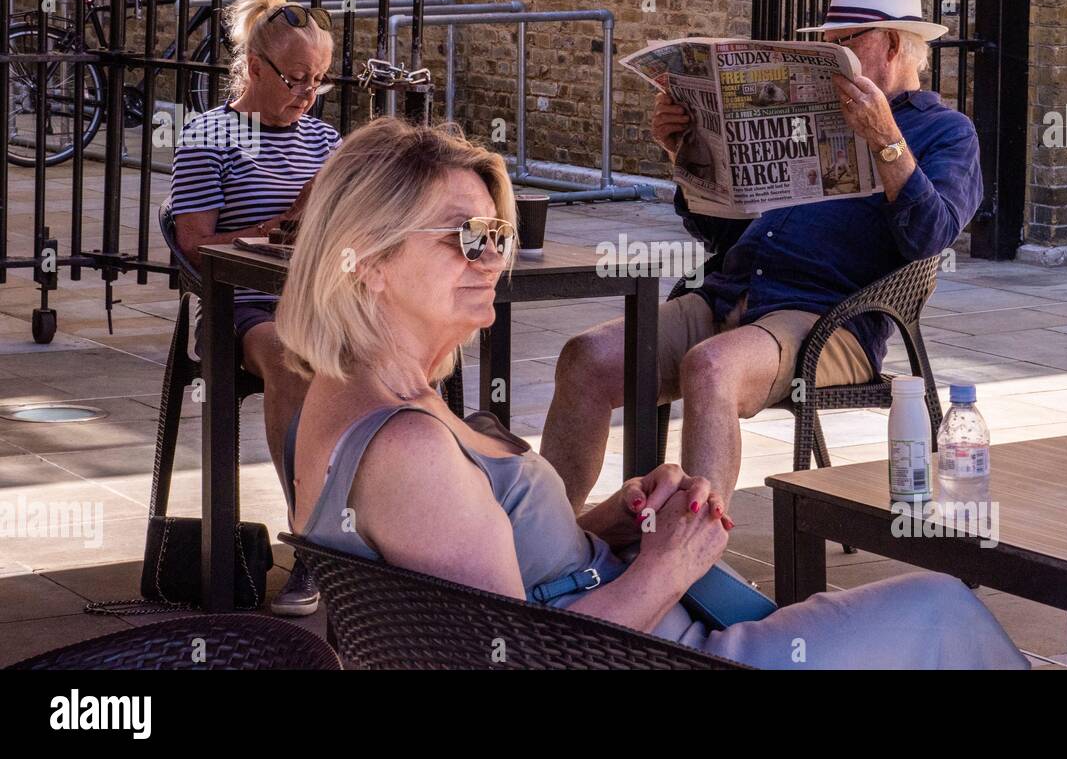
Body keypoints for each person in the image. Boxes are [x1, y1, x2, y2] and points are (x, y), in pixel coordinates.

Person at [273, 117, 1027, 669]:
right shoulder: (407, 446)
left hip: (639, 623)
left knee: (917, 612)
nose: (491, 259)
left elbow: (493, 580)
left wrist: (612, 525)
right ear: (366, 262)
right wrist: (676, 561)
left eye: (495, 235)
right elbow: (521, 663)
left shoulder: (362, 397)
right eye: (464, 237)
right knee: (941, 607)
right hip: (666, 650)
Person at [541, 0, 984, 511]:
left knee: (711, 368)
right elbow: (722, 232)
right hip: (731, 291)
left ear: (892, 44)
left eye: (843, 45)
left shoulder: (947, 132)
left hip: (826, 317)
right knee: (586, 356)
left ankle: (689, 557)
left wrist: (887, 140)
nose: (829, 54)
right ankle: (552, 541)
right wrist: (687, 154)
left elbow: (930, 238)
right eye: (824, 43)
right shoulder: (803, 113)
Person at [169, 0, 339, 615]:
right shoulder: (211, 134)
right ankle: (313, 545)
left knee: (412, 357)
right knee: (292, 362)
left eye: (318, 80)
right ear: (253, 66)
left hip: (316, 303)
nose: (307, 95)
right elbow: (196, 248)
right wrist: (283, 223)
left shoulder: (324, 142)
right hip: (240, 309)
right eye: (295, 79)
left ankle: (397, 541)